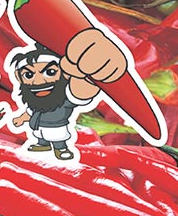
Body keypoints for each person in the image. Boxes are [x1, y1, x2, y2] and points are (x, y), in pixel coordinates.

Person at [9, 28, 127, 160]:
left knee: (58, 139)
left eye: (50, 72)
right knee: (41, 137)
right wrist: (21, 118)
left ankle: (61, 149)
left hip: (58, 127)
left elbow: (80, 93)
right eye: (29, 75)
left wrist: (88, 74)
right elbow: (30, 111)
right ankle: (43, 144)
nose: (38, 81)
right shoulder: (34, 102)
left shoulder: (63, 98)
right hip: (39, 128)